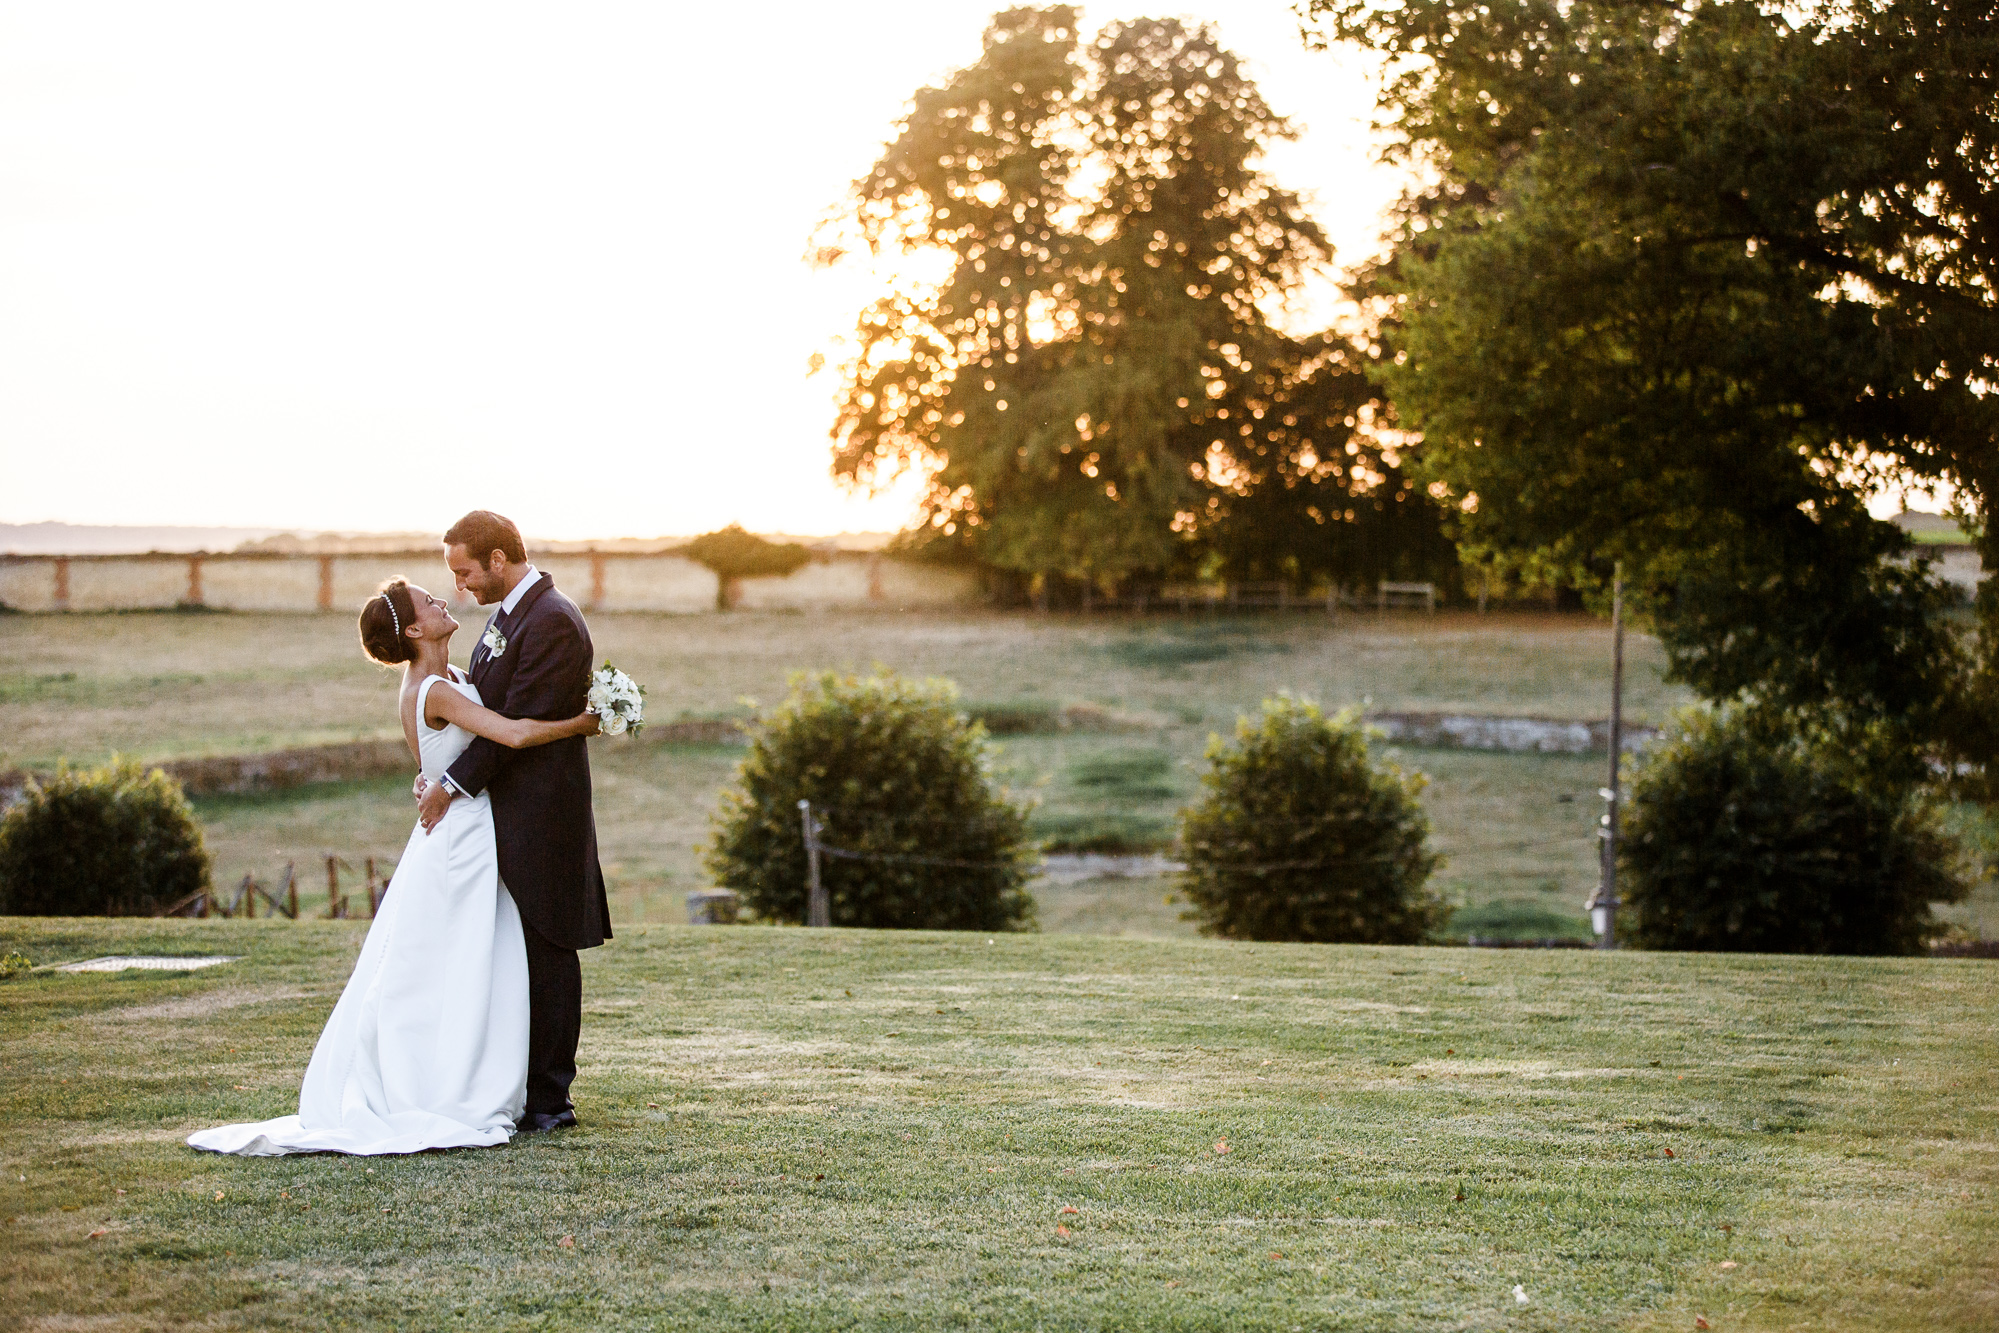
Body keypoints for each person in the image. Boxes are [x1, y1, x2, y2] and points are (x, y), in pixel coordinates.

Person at [188, 578, 597, 1156]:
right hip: (458, 838)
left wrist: (436, 778)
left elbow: (449, 752)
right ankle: (439, 1086)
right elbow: (511, 733)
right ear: (413, 630)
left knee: (475, 959)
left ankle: (474, 1075)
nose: (441, 600)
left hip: (474, 828)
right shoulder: (433, 689)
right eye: (429, 602)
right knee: (451, 961)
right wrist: (582, 724)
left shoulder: (454, 679)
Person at [416, 510, 610, 1134]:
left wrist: (451, 784)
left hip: (544, 814)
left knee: (548, 948)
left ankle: (552, 1100)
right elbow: (488, 709)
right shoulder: (508, 615)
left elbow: (514, 727)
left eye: (465, 571)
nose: (461, 586)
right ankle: (517, 1085)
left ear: (498, 559)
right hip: (507, 813)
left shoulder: (552, 620)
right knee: (515, 953)